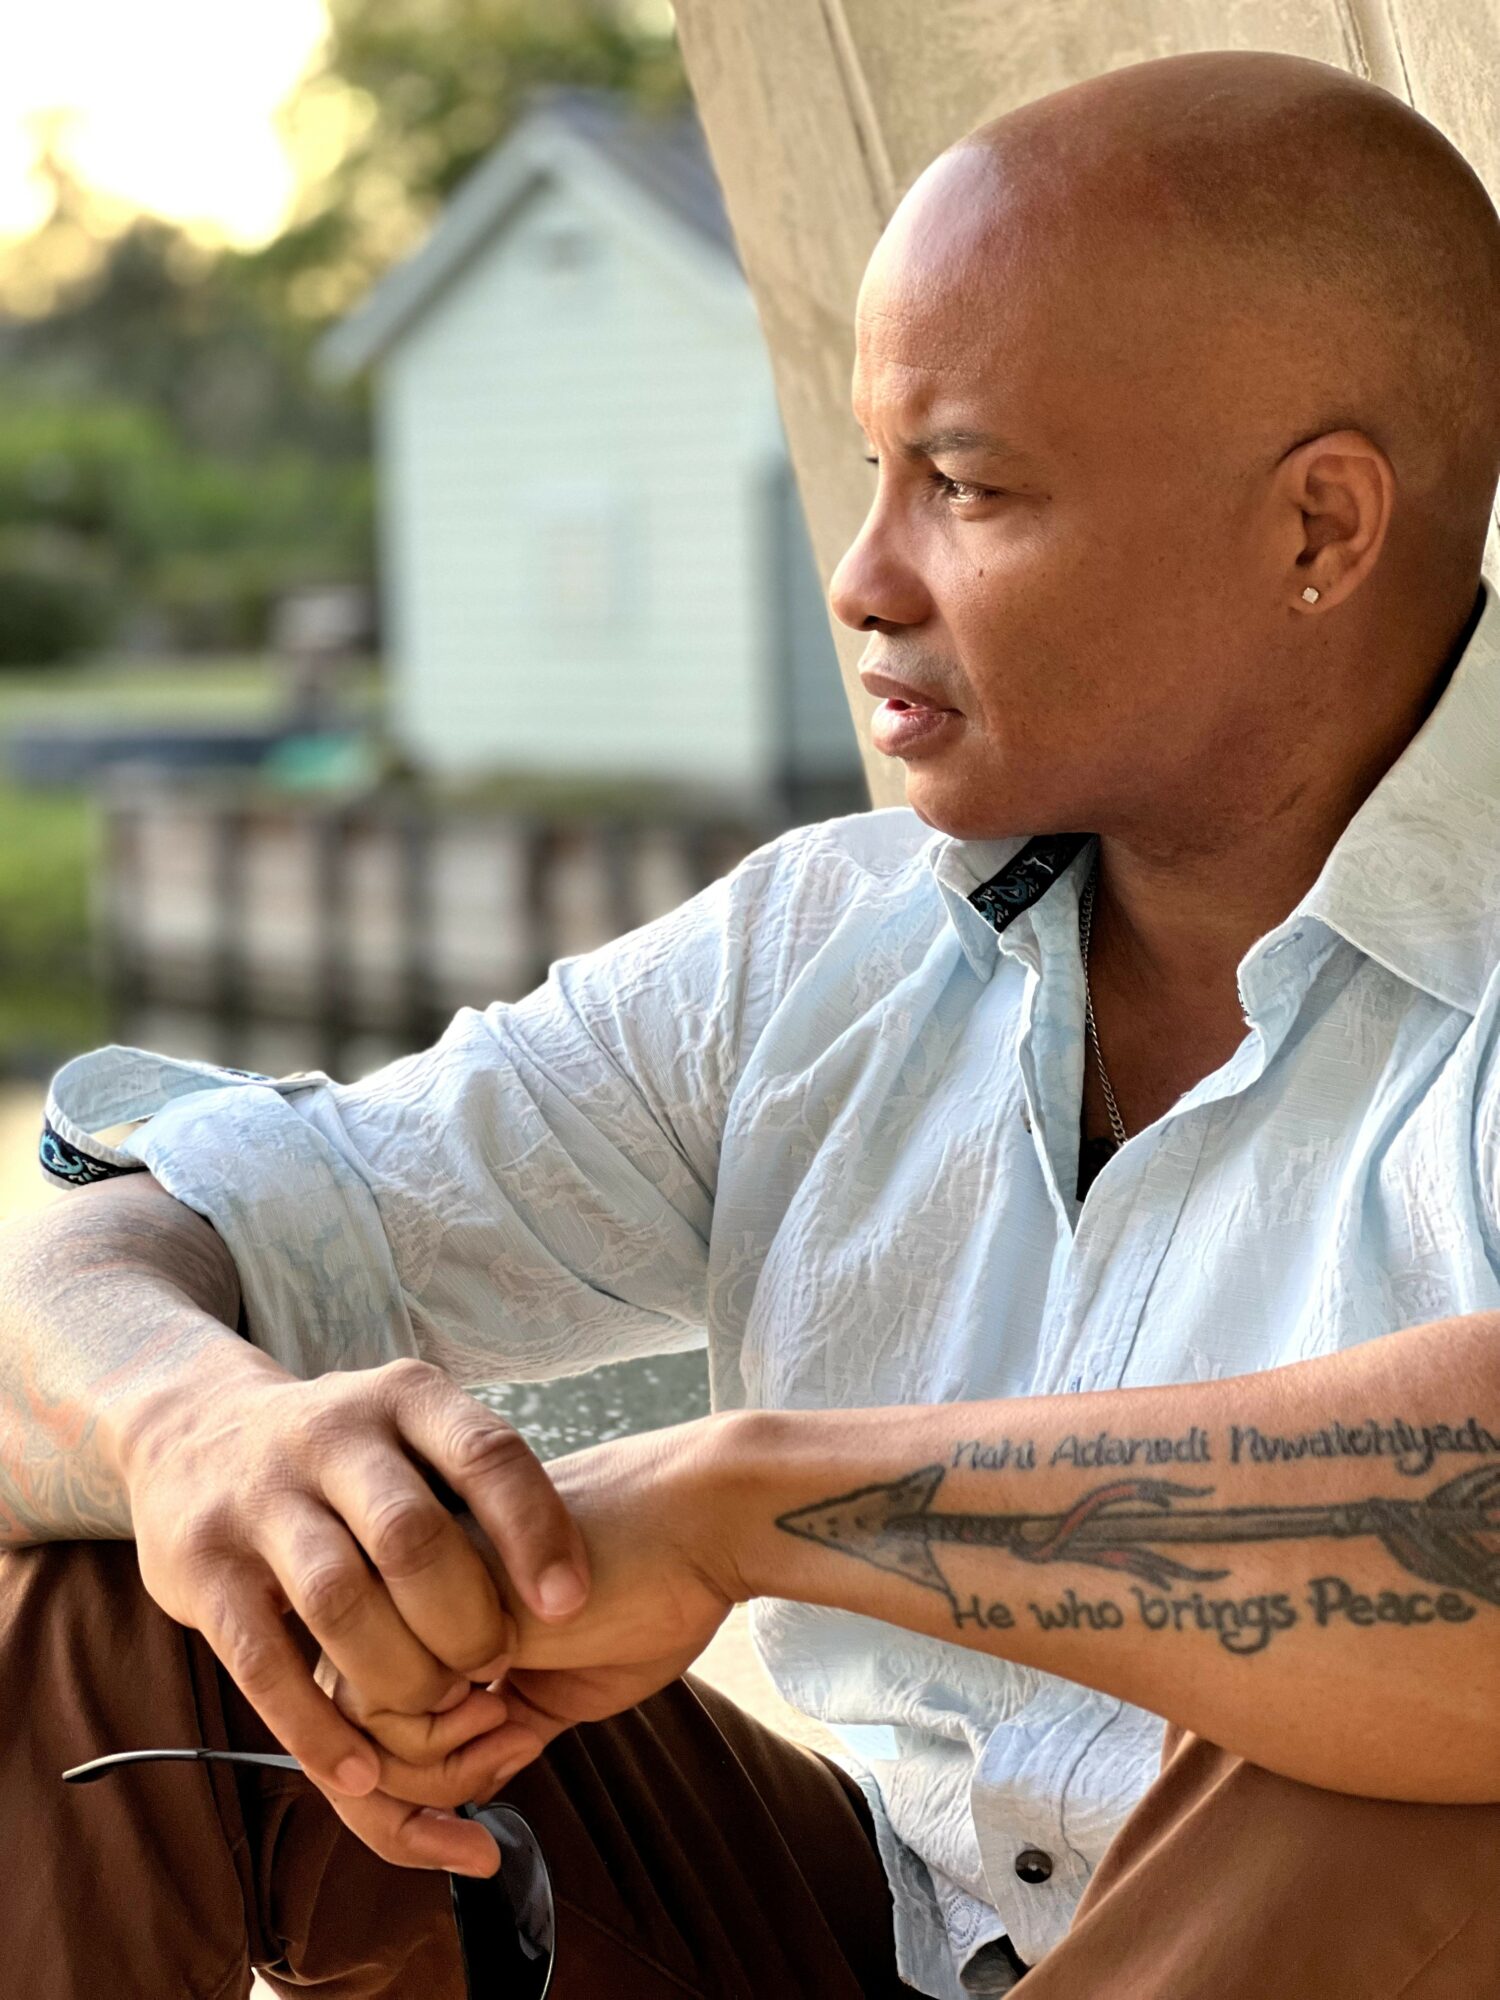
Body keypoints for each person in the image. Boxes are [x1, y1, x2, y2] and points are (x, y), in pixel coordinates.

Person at [4, 44, 1500, 1999]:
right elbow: (92, 1286)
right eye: (874, 473)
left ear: (1318, 528)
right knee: (147, 1584)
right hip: (859, 1935)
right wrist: (194, 1427)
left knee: (1408, 1736)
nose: (861, 578)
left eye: (965, 487)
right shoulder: (819, 949)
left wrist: (744, 1504)